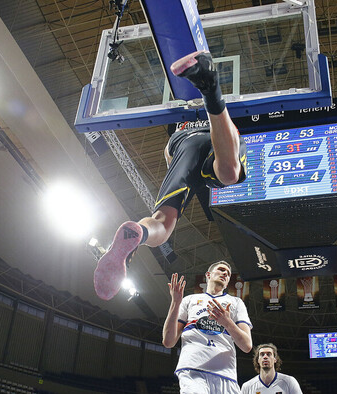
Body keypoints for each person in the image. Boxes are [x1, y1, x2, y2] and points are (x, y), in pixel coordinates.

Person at [94, 50, 247, 300]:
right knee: (228, 174)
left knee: (162, 226)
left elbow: (169, 153)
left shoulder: (180, 123)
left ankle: (139, 232)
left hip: (182, 141)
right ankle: (211, 91)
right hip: (218, 133)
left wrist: (176, 159)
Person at [162, 261, 253, 394]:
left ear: (228, 282)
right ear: (208, 275)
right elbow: (168, 341)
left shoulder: (236, 303)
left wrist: (227, 322)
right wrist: (175, 302)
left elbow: (247, 346)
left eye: (227, 274)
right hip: (192, 369)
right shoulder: (189, 300)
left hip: (226, 373)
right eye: (221, 270)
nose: (225, 274)